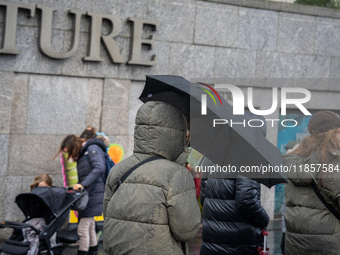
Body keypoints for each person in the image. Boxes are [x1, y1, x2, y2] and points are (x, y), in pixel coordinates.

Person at [103, 101, 201, 255]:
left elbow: (108, 216)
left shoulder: (119, 169)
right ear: (176, 133)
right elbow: (186, 231)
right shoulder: (176, 174)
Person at [200, 116, 269, 255]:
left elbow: (203, 197)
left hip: (212, 240)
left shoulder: (212, 155)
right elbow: (246, 201)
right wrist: (264, 219)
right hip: (238, 243)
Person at [283, 110, 340, 255]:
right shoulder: (331, 160)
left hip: (297, 244)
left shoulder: (294, 160)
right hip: (330, 245)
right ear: (331, 133)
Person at [57, 134, 106, 255]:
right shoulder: (85, 152)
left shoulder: (91, 149)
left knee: (82, 229)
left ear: (74, 146)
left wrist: (82, 184)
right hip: (89, 194)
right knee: (89, 226)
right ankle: (93, 251)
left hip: (93, 195)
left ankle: (83, 252)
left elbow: (99, 167)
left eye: (70, 151)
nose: (70, 156)